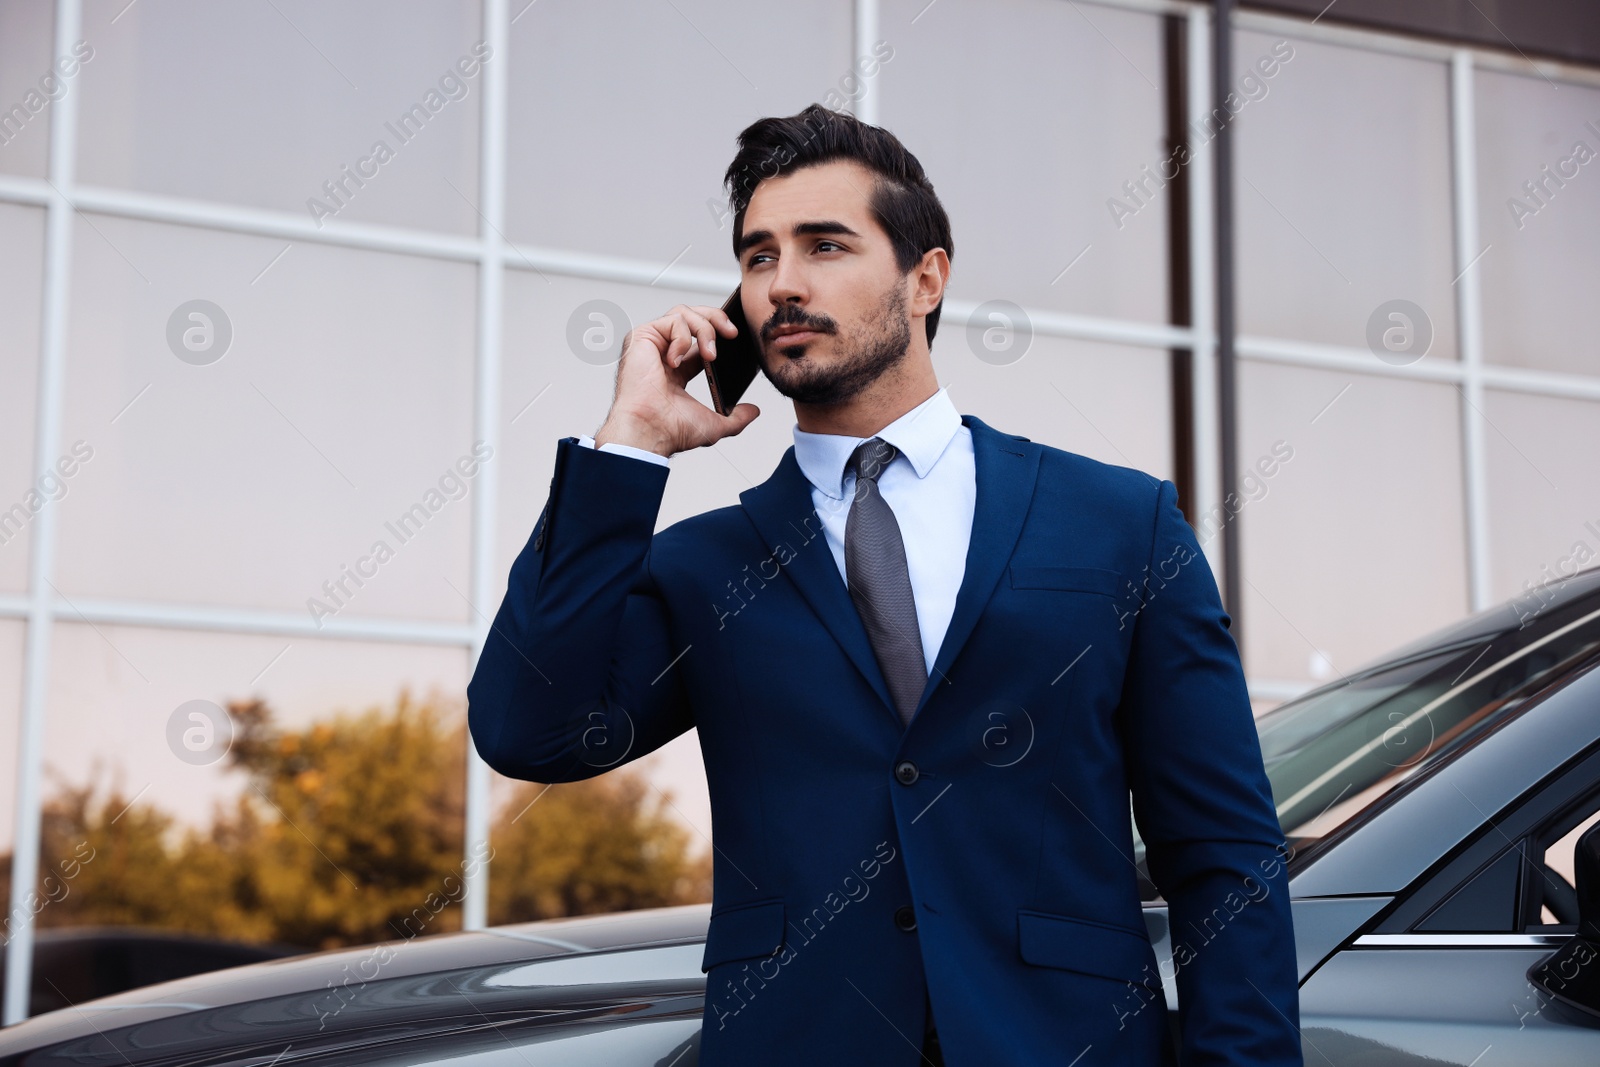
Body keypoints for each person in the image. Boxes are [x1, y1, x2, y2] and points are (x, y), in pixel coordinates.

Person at [468, 103, 1301, 1067]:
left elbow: (1224, 853)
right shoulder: (706, 567)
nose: (783, 284)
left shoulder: (1120, 524)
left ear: (926, 277)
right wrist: (631, 447)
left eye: (825, 245)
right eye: (757, 256)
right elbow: (527, 727)